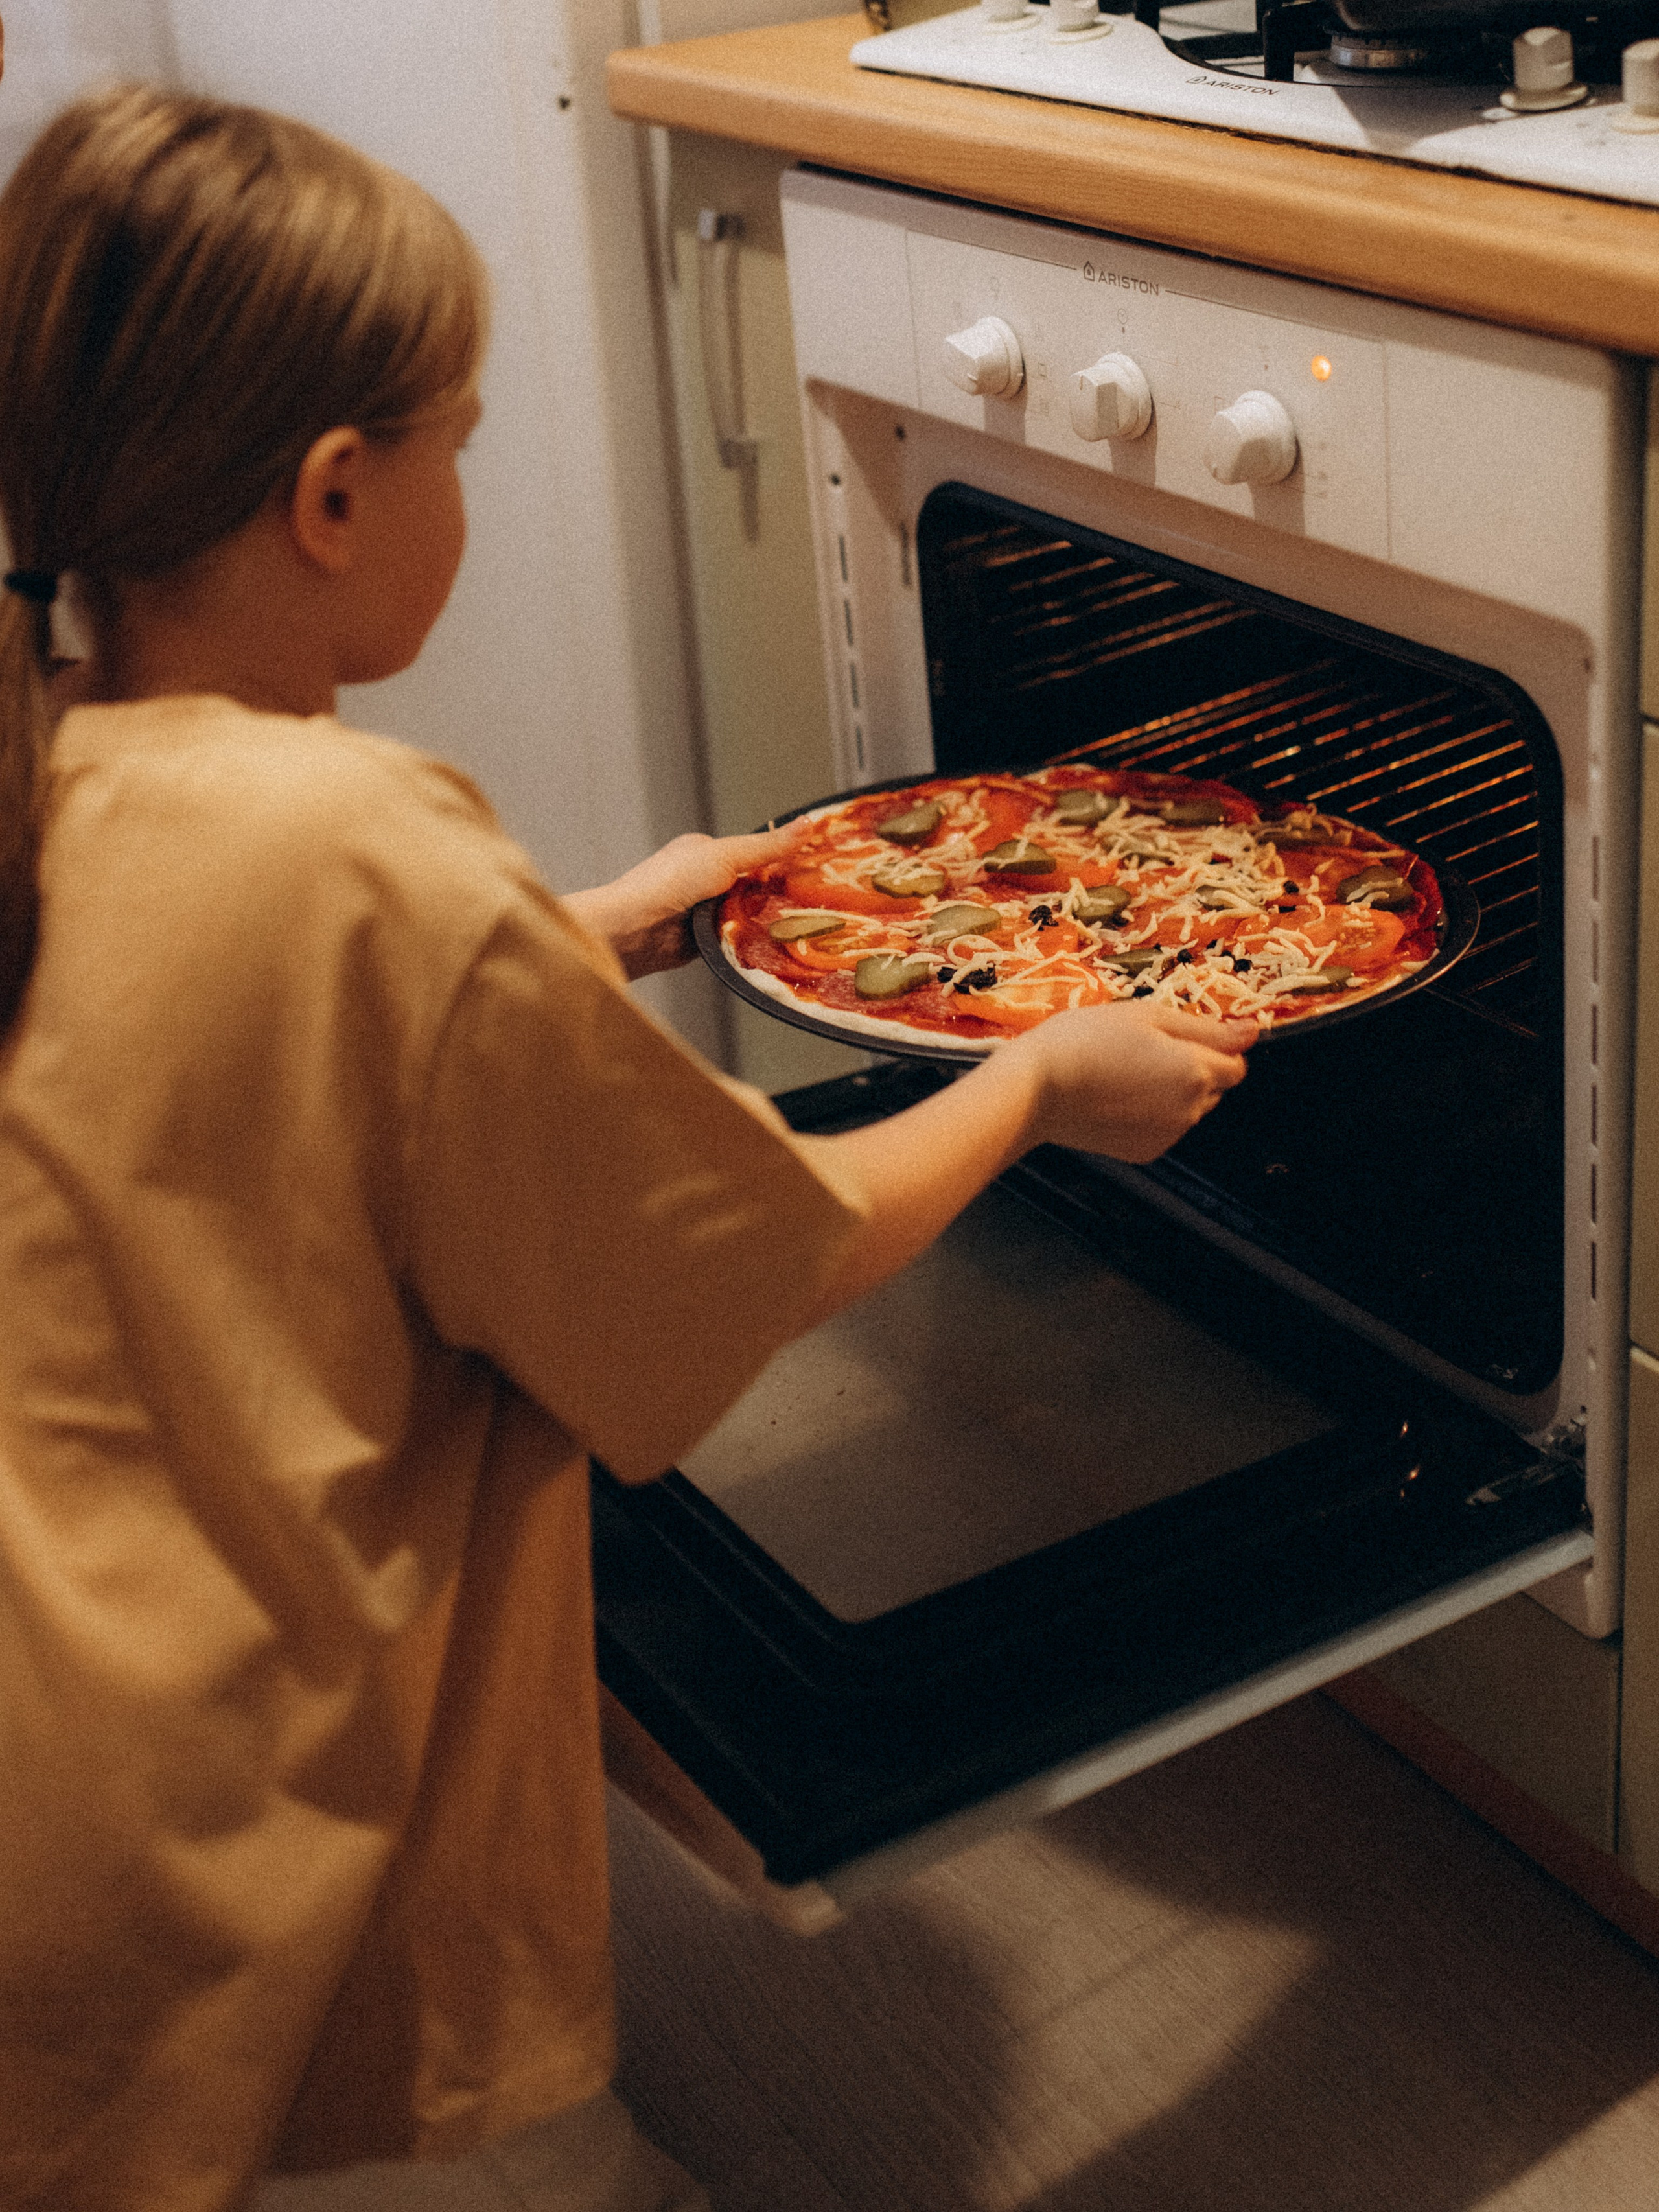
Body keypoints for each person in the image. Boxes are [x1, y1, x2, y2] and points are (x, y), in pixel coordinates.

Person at [0, 84, 1256, 2212]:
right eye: (459, 445)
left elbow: (262, 1053)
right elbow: (751, 1251)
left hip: (64, 1735)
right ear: (331, 496)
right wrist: (1042, 1077)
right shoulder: (363, 843)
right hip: (243, 1818)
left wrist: (576, 927)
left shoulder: (64, 771)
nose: (465, 493)